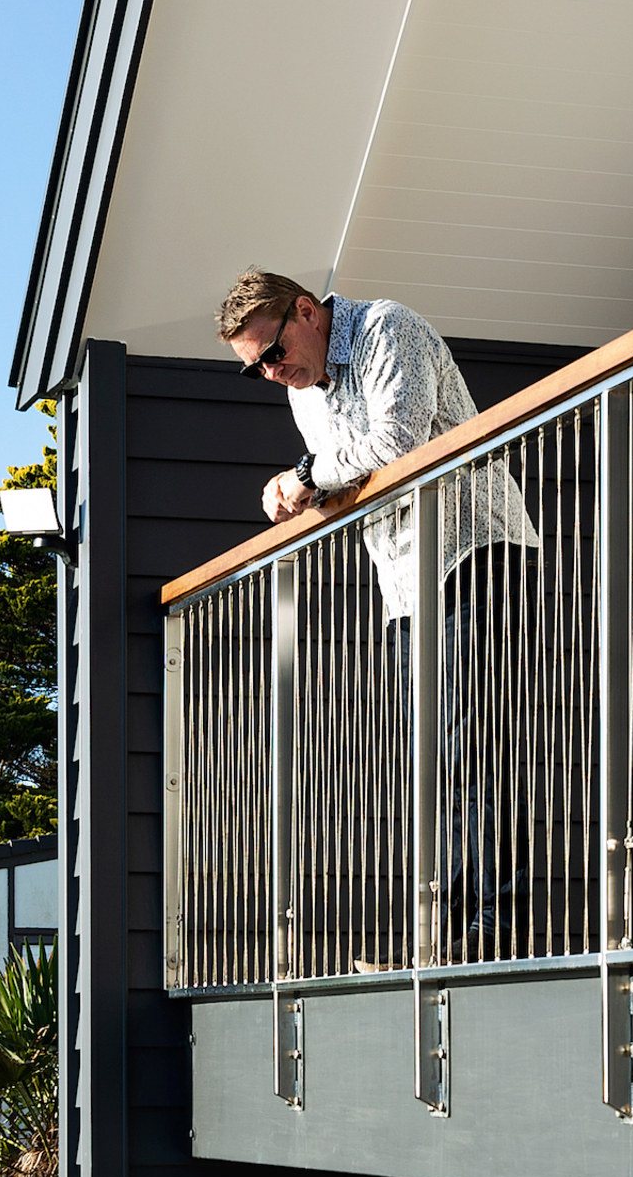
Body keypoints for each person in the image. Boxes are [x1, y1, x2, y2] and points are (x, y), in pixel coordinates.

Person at [215, 271, 538, 955]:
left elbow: (396, 442)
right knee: (433, 762)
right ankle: (446, 931)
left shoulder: (388, 328)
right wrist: (301, 491)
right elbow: (340, 476)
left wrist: (303, 477)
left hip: (472, 550)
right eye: (256, 370)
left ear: (307, 311)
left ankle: (494, 927)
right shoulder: (306, 388)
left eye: (273, 353)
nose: (272, 373)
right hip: (404, 581)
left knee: (467, 751)